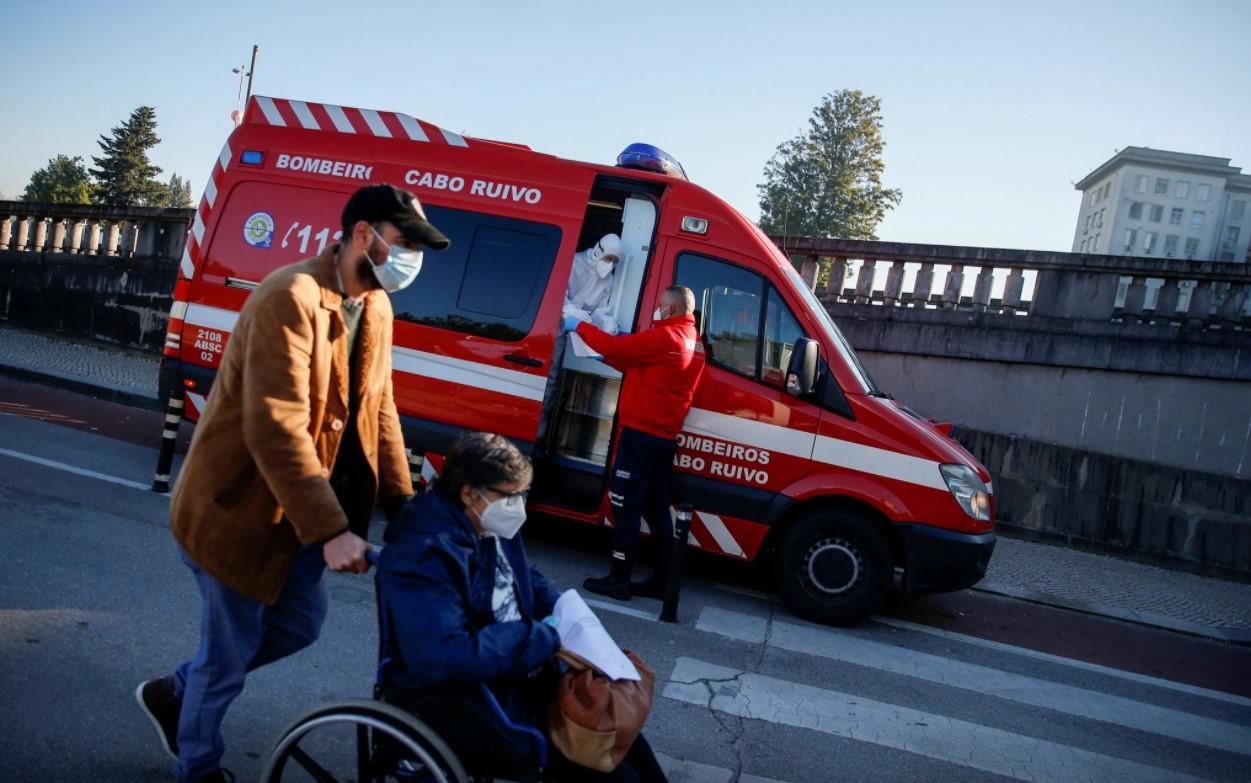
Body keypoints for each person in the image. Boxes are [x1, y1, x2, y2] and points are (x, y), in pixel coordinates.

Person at [135, 184, 450, 783]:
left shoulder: (376, 306)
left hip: (303, 513)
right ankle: (197, 766)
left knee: (299, 626)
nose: (412, 258)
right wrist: (332, 531)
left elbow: (378, 408)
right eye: (405, 242)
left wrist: (403, 502)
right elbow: (276, 425)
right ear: (364, 235)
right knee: (227, 659)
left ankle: (180, 691)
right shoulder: (291, 295)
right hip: (241, 513)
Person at [378, 431, 667, 783]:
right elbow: (444, 656)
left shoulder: (486, 522)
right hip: (475, 700)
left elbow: (525, 576)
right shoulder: (423, 554)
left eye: (522, 495)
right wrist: (537, 638)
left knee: (626, 737)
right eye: (511, 496)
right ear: (470, 493)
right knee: (610, 767)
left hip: (519, 677)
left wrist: (563, 609)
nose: (518, 506)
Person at [564, 286, 705, 600]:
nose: (656, 310)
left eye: (659, 305)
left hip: (641, 435)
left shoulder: (666, 338)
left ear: (668, 309)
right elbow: (640, 366)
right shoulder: (695, 343)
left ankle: (619, 578)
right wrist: (608, 354)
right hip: (664, 437)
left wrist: (580, 327)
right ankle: (663, 580)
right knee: (655, 508)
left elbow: (620, 347)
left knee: (625, 505)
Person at [564, 233, 623, 333]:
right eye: (609, 258)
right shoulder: (574, 262)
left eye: (614, 261)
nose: (610, 264)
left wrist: (605, 323)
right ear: (599, 251)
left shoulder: (608, 280)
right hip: (549, 325)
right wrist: (569, 310)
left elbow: (600, 310)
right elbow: (555, 293)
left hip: (575, 333)